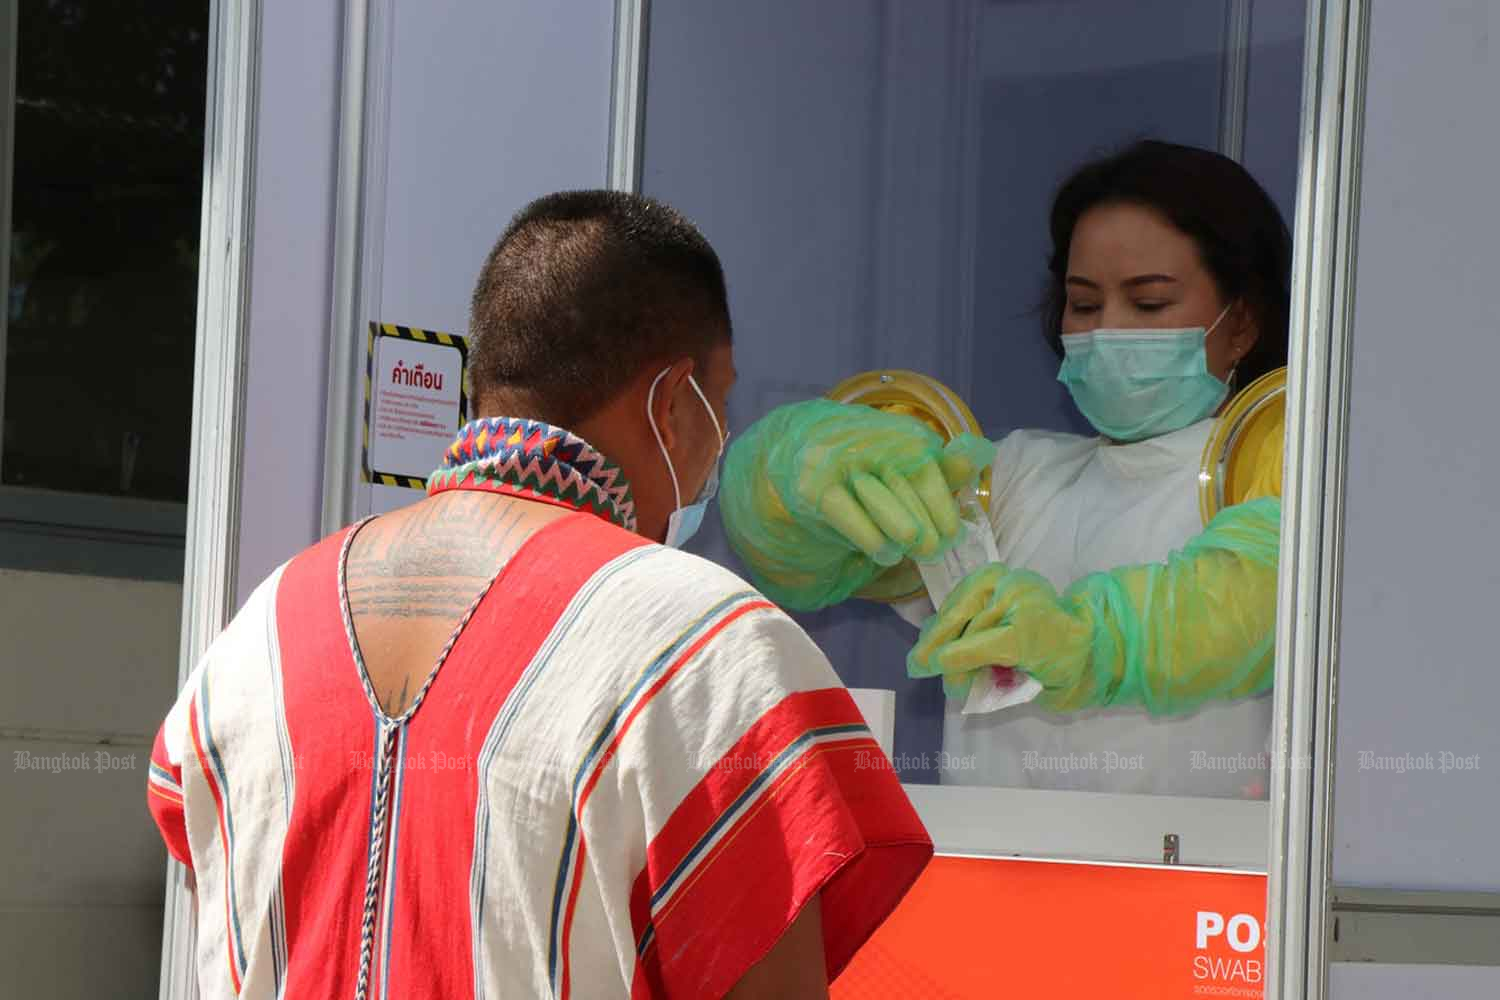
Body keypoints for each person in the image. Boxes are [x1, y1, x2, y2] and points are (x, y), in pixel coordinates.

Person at [146, 191, 931, 999]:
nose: (718, 443)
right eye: (720, 402)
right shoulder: (708, 646)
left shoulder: (257, 634)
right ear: (671, 401)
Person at [720, 141, 1290, 797]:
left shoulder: (1267, 466)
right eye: (1084, 304)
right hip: (991, 884)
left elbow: (1242, 604)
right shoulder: (1014, 475)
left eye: (1150, 303)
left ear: (1242, 322)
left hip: (1187, 888)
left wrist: (1087, 642)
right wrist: (788, 476)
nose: (1108, 329)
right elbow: (810, 556)